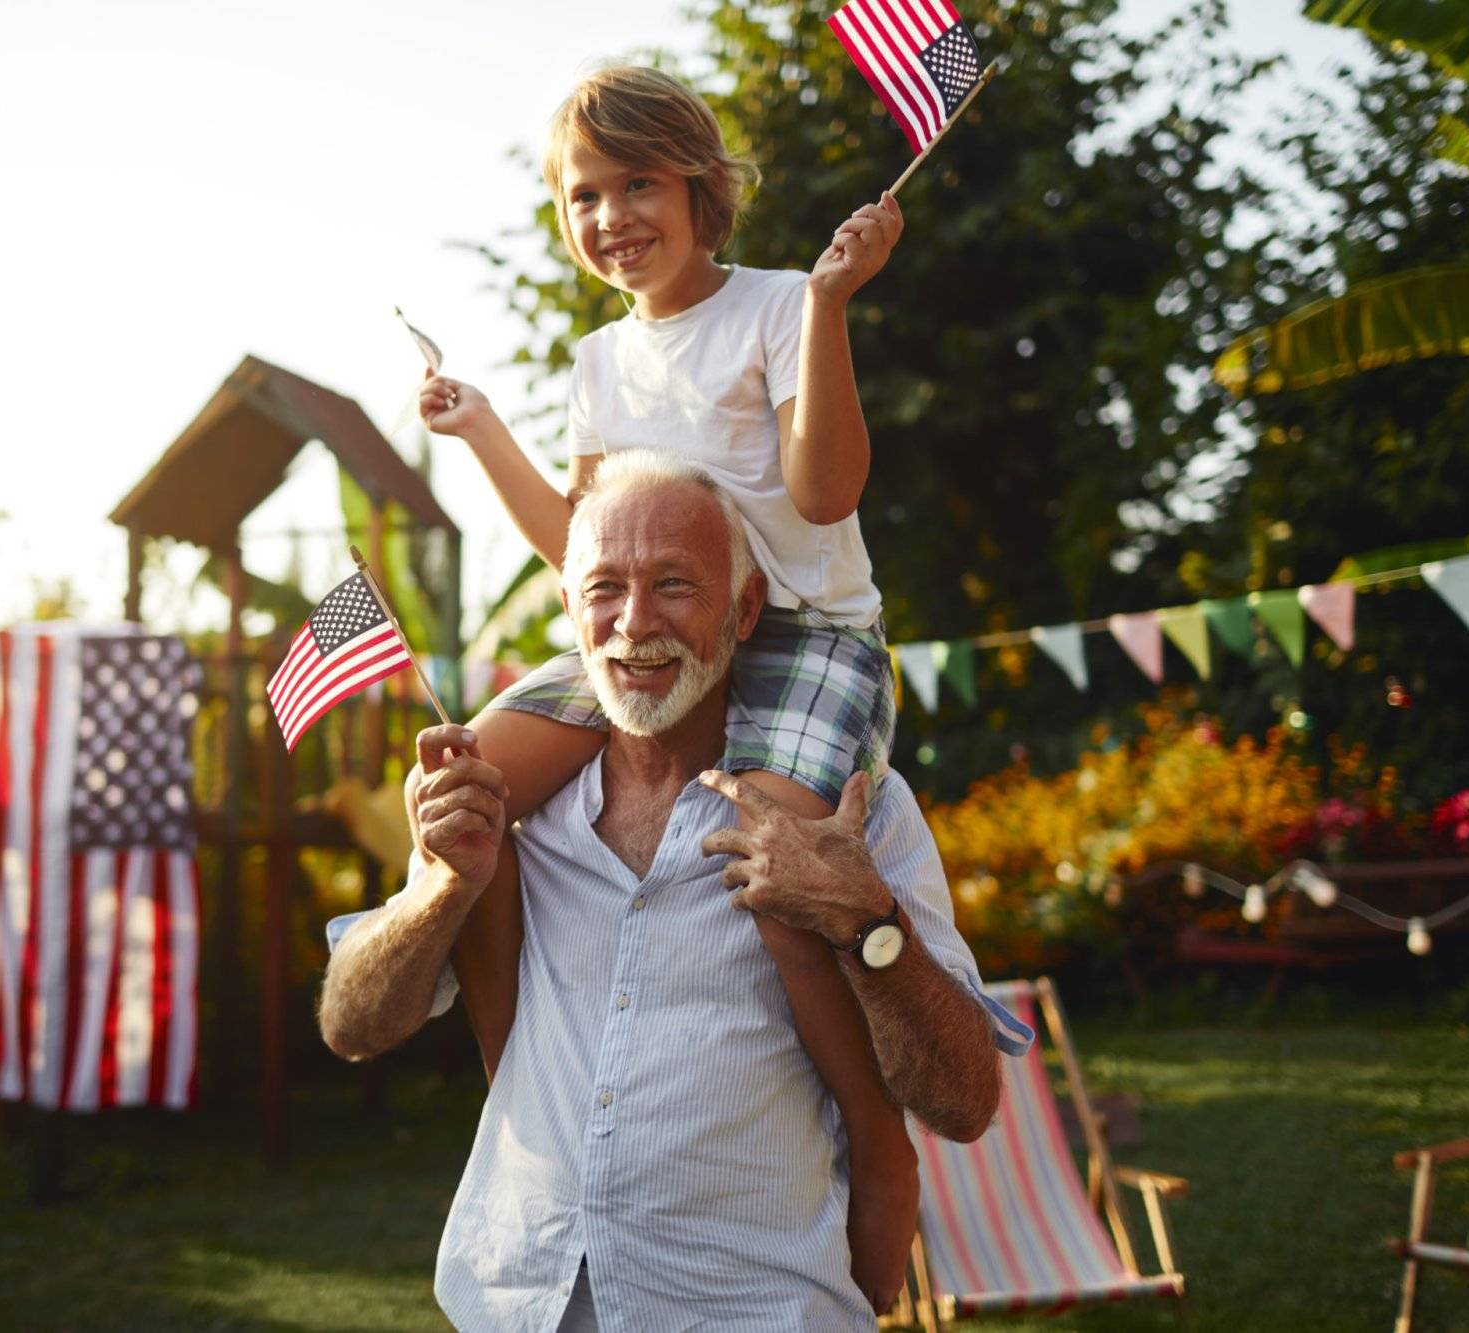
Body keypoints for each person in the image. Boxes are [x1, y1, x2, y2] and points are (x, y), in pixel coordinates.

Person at [319, 454, 1032, 1331]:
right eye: (605, 587)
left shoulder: (854, 810)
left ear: (742, 609)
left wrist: (864, 919)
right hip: (516, 1304)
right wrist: (440, 891)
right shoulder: (507, 815)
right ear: (571, 610)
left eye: (674, 584)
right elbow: (353, 1024)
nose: (635, 622)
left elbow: (965, 1102)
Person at [414, 63, 918, 1303]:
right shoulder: (597, 361)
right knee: (468, 791)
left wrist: (832, 306)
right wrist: (481, 426)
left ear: (700, 189)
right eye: (581, 197)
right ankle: (527, 1102)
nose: (608, 218)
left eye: (635, 184)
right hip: (648, 635)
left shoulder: (774, 306)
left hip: (800, 636)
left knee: (776, 871)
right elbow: (577, 546)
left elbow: (823, 496)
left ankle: (875, 1138)